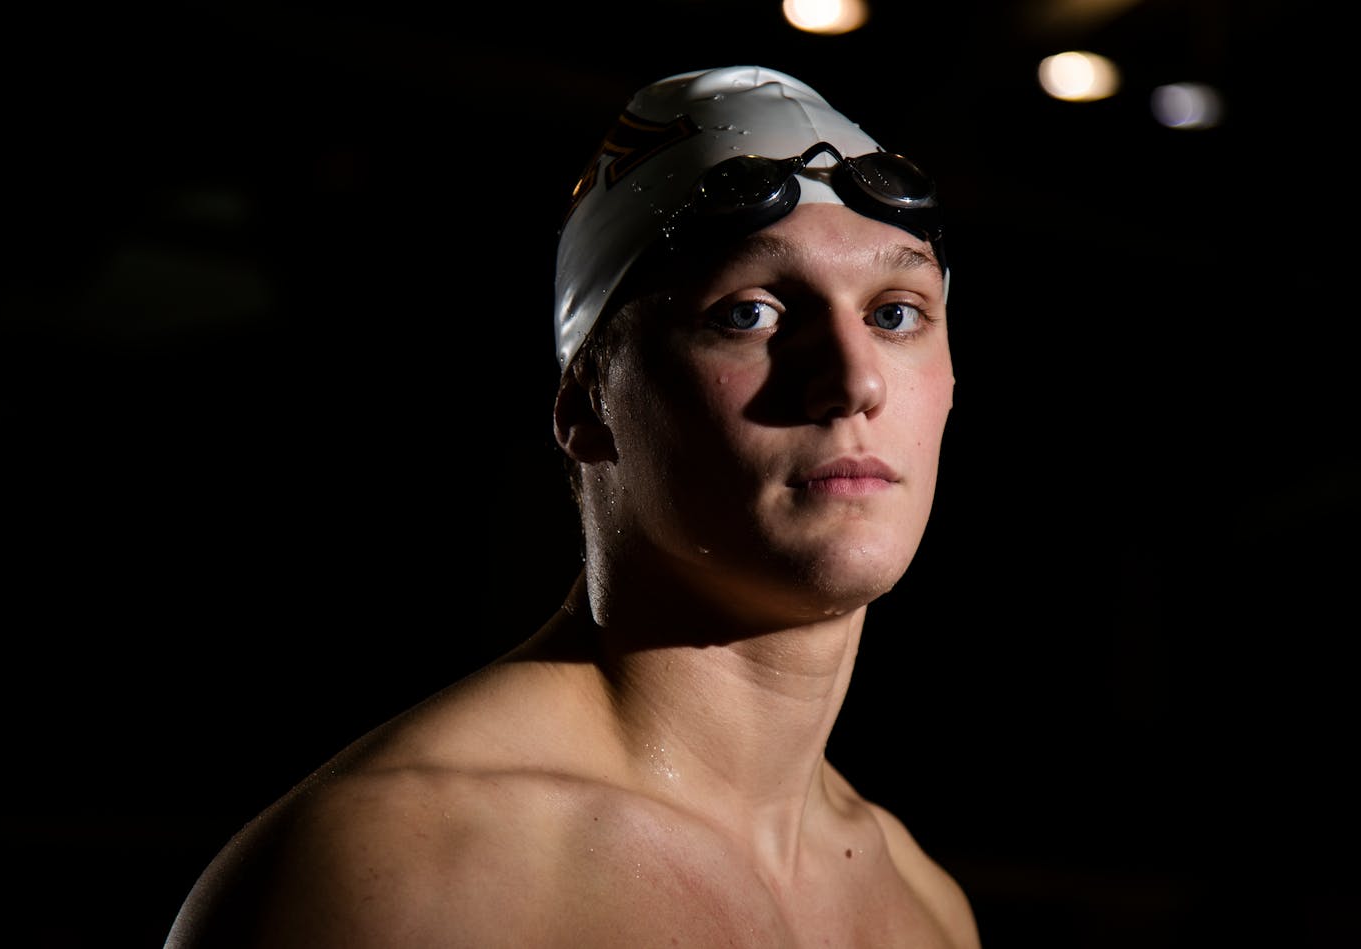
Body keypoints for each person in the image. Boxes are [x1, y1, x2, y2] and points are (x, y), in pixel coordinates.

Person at [164, 64, 979, 948]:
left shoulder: (923, 909)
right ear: (588, 405)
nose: (854, 380)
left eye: (896, 314)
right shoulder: (400, 872)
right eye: (748, 312)